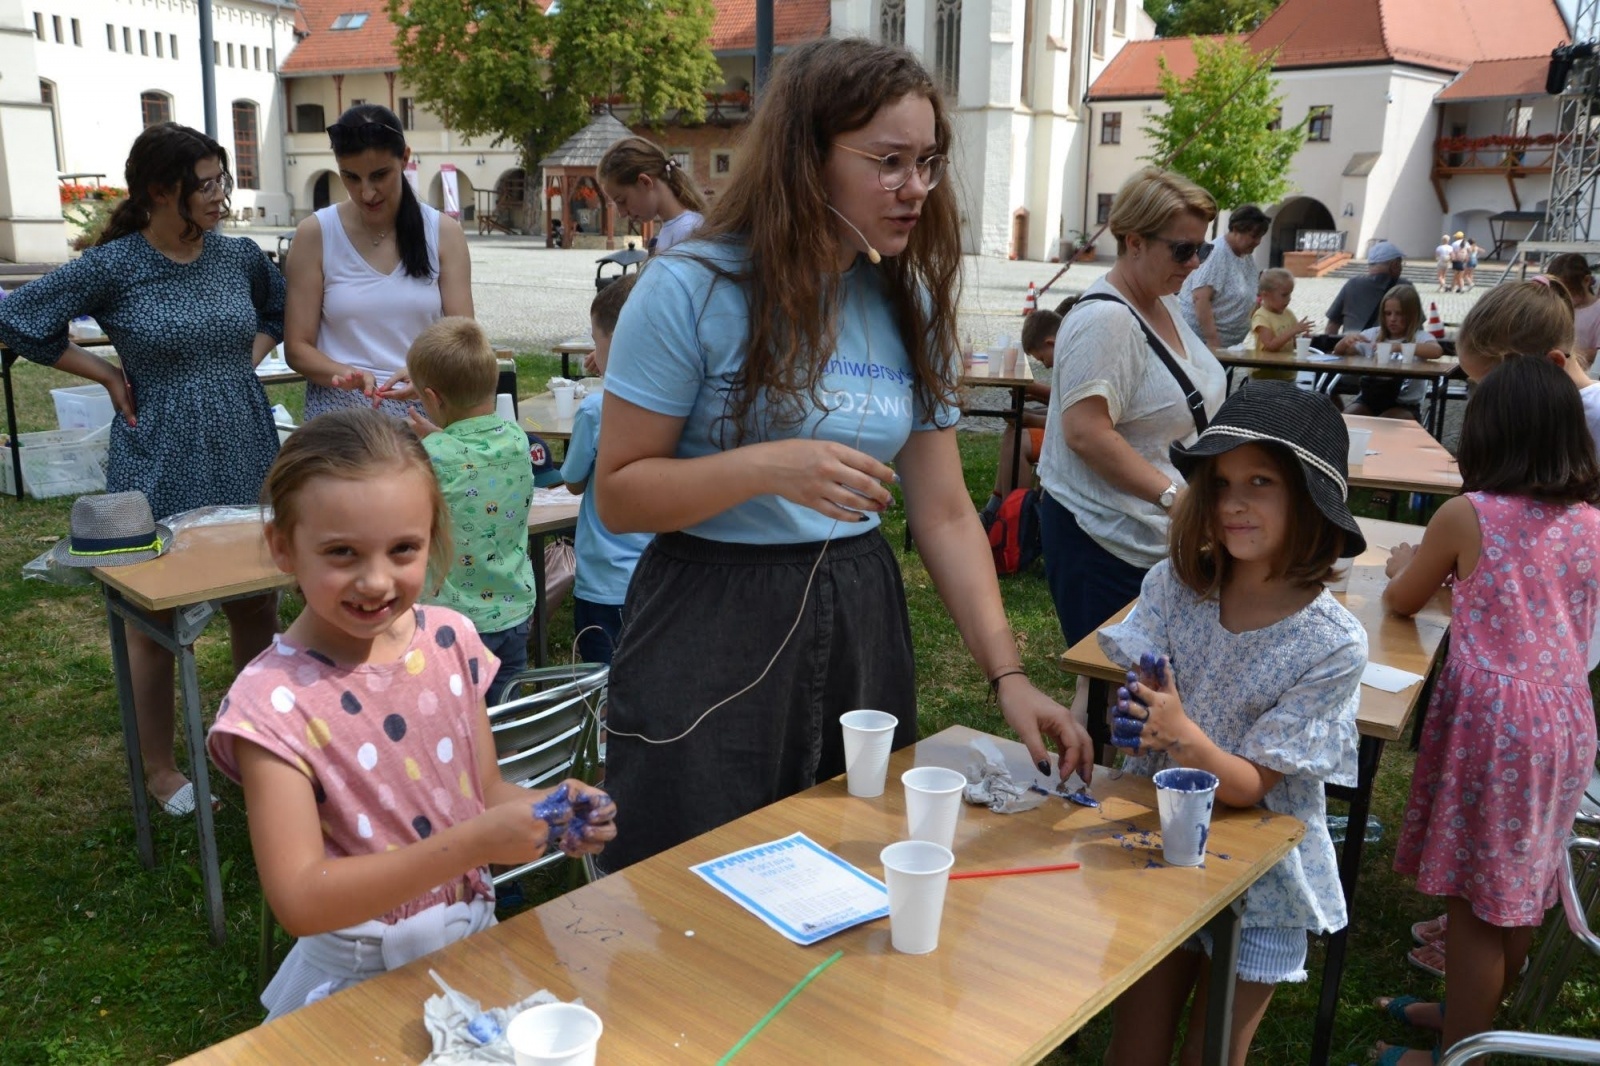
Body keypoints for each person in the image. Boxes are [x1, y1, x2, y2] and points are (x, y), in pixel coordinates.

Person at [591, 37, 1094, 872]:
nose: (917, 189)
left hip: (859, 609)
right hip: (711, 612)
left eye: (928, 162)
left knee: (845, 854)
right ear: (805, 159)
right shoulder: (690, 289)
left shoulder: (907, 299)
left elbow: (943, 511)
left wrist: (1008, 674)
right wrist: (768, 466)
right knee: (691, 870)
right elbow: (621, 492)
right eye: (888, 162)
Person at [206, 408, 617, 1021]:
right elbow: (301, 899)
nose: (376, 581)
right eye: (342, 552)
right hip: (355, 984)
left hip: (472, 947)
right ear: (283, 547)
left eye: (404, 549)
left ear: (433, 536)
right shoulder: (271, 705)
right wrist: (470, 845)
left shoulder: (449, 641)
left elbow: (485, 789)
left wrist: (546, 810)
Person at [0, 122, 283, 817]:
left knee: (258, 604)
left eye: (223, 181)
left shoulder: (236, 256)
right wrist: (101, 372)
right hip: (157, 453)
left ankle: (253, 747)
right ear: (162, 191)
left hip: (245, 445)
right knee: (154, 616)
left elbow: (277, 304)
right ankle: (160, 769)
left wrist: (241, 360)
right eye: (207, 184)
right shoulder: (114, 266)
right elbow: (18, 321)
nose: (222, 196)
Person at [1098, 382, 1365, 1066]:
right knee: (1135, 1044)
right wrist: (1133, 716)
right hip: (1159, 845)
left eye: (1261, 481)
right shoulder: (1174, 586)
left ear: (1311, 498)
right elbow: (1137, 701)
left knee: (1211, 1053)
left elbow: (1251, 787)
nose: (1234, 502)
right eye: (1219, 483)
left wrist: (1179, 730)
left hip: (1261, 876)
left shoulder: (1331, 642)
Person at [1375, 357, 1600, 1066]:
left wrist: (1402, 564)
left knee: (1476, 905)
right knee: (1522, 887)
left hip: (1496, 727)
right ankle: (1464, 1022)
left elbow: (1403, 598)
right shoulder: (1593, 523)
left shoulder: (1466, 514)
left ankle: (1459, 1056)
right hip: (1566, 721)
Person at [1038, 166, 1227, 663]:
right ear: (1135, 242)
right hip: (1105, 540)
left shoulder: (1162, 304)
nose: (1194, 264)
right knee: (1108, 685)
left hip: (1153, 536)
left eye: (1202, 250)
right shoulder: (1107, 319)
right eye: (1183, 250)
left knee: (1137, 690)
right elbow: (1084, 433)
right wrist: (1174, 497)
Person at [284, 104, 473, 420]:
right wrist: (345, 374)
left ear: (404, 158)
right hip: (341, 413)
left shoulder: (443, 233)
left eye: (379, 175)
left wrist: (424, 374)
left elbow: (464, 337)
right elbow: (297, 347)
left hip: (422, 407)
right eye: (351, 177)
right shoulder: (315, 234)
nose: (366, 192)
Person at [405, 316, 556, 701]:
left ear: (433, 398)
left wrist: (433, 442)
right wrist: (439, 436)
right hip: (514, 613)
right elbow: (473, 457)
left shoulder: (428, 458)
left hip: (451, 625)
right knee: (501, 723)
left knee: (451, 727)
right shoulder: (518, 440)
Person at [562, 276, 651, 664]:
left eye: (596, 339)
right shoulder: (676, 413)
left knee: (600, 684)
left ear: (617, 341)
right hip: (656, 578)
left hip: (603, 582)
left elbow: (573, 481)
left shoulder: (595, 411)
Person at [979, 302, 1065, 518]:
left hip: (1075, 441)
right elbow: (1061, 406)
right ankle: (999, 507)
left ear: (1051, 342)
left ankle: (1014, 519)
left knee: (1018, 440)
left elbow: (1069, 419)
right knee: (1014, 431)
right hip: (1070, 432)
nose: (1044, 366)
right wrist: (1029, 410)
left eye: (1042, 358)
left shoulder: (1075, 360)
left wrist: (1029, 417)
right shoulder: (1070, 357)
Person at [1331, 284, 1444, 419]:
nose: (1392, 319)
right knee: (1346, 420)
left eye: (1399, 313)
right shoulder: (1373, 335)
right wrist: (1345, 342)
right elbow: (1339, 353)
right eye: (1387, 313)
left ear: (1412, 315)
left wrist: (1398, 347)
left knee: (1385, 422)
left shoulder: (1420, 336)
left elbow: (1436, 351)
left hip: (1405, 404)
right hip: (1369, 400)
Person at [1178, 204, 1270, 349]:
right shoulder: (1217, 253)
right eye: (1253, 236)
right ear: (1236, 229)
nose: (1257, 242)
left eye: (1260, 237)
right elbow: (1200, 298)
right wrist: (1212, 340)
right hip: (1202, 344)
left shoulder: (1246, 256)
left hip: (1229, 346)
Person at [598, 136, 708, 256]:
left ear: (645, 182)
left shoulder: (688, 231)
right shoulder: (675, 228)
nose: (622, 213)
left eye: (622, 201)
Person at [1325, 240, 1409, 336]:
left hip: (1351, 346)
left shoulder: (1352, 285)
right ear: (1394, 265)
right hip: (1388, 348)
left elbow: (1332, 325)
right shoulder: (1405, 287)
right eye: (1400, 263)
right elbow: (1416, 326)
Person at [1246, 267, 1315, 383]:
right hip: (1265, 376)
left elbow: (1291, 344)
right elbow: (1270, 346)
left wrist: (1302, 340)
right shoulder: (1261, 316)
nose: (1289, 299)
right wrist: (1293, 330)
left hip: (1287, 374)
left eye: (1290, 294)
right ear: (1266, 295)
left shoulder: (1288, 314)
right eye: (1284, 295)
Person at [1546, 252, 1600, 360]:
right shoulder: (1558, 308)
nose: (1563, 298)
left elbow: (1597, 354)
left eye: (1569, 292)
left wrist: (1565, 355)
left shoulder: (1597, 311)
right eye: (1559, 293)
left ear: (1586, 281)